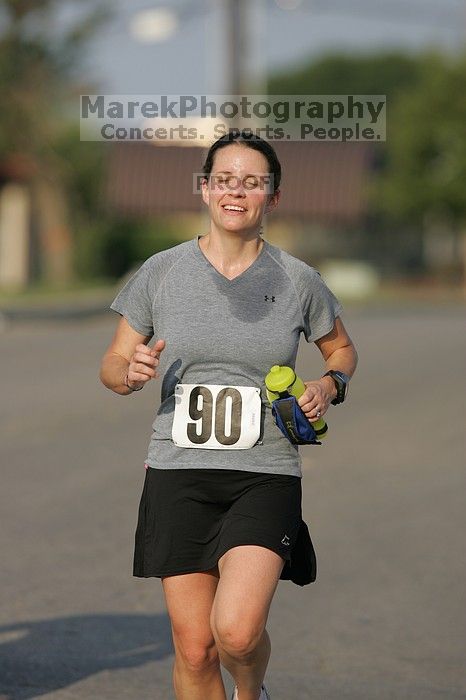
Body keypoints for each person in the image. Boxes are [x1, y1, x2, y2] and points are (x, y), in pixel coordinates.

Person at [99, 131, 358, 700]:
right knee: (195, 649)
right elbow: (113, 365)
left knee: (237, 634)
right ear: (204, 189)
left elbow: (341, 350)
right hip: (177, 472)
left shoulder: (297, 279)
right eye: (224, 179)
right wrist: (130, 371)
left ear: (273, 196)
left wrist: (328, 383)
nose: (235, 191)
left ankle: (251, 690)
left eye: (252, 181)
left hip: (264, 472)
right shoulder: (161, 271)